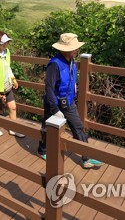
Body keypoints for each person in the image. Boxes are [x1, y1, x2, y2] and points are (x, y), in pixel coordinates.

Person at [37, 33, 103, 169]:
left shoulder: (72, 61)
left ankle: (87, 157)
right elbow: (49, 88)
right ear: (65, 49)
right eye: (74, 48)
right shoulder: (54, 64)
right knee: (47, 128)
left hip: (68, 102)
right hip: (53, 103)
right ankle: (42, 150)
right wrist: (55, 109)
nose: (76, 50)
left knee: (78, 127)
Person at [0, 31, 24, 138]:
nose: (6, 44)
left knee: (13, 107)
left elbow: (7, 67)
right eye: (4, 43)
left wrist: (13, 78)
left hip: (6, 85)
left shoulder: (6, 52)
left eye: (7, 42)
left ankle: (13, 128)